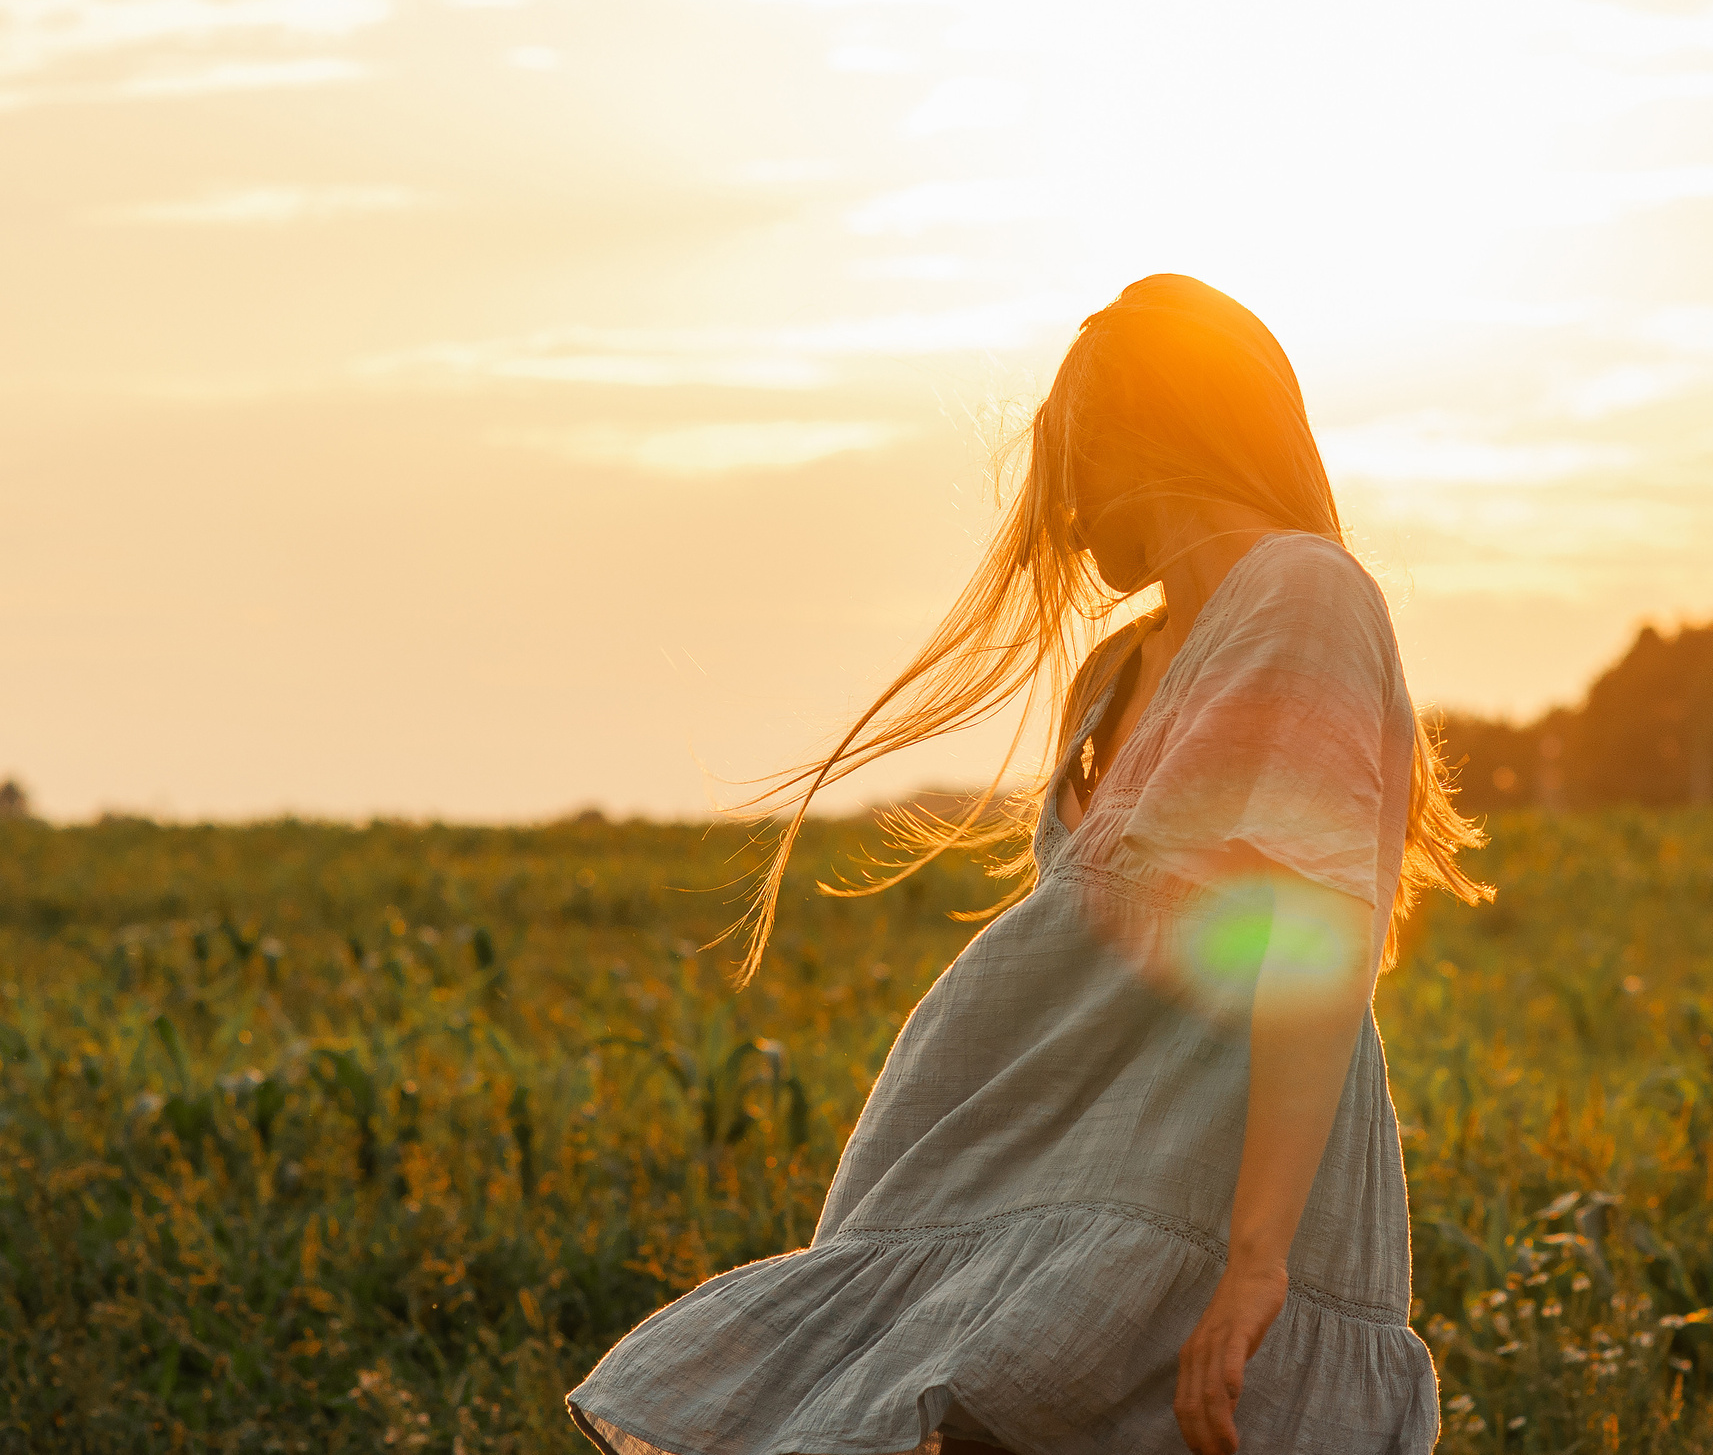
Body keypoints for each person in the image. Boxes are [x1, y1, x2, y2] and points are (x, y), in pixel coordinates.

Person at [566, 275, 1490, 1455]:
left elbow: (1312, 935)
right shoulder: (1115, 673)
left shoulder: (1302, 591)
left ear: (1136, 435)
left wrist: (1259, 1260)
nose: (1060, 522)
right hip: (1008, 1188)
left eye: (1069, 466)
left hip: (1175, 1212)